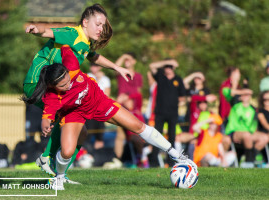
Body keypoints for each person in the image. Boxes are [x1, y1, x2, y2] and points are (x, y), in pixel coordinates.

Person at [22, 46, 196, 190]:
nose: (69, 84)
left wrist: (63, 37)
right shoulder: (52, 97)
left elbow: (66, 44)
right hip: (74, 113)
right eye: (63, 85)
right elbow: (47, 116)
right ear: (53, 86)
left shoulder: (71, 64)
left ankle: (176, 154)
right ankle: (59, 177)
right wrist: (46, 124)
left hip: (100, 103)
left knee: (138, 126)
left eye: (68, 79)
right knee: (67, 151)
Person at [23, 4, 132, 181]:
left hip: (52, 87)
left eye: (103, 25)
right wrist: (36, 29)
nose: (101, 29)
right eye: (98, 24)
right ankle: (46, 158)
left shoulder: (85, 43)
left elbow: (93, 56)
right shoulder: (73, 34)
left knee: (82, 132)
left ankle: (62, 175)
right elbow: (47, 32)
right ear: (85, 21)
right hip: (37, 83)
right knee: (67, 117)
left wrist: (117, 67)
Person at [149, 58, 186, 167]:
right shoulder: (160, 76)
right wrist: (166, 62)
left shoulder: (178, 79)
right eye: (166, 66)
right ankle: (154, 162)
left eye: (170, 67)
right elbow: (152, 65)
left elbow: (182, 96)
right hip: (160, 113)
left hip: (172, 113)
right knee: (156, 136)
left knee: (172, 137)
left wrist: (176, 101)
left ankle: (170, 161)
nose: (168, 69)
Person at [225, 91, 258, 168]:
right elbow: (232, 123)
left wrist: (251, 132)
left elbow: (254, 124)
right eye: (244, 95)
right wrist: (234, 133)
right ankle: (249, 162)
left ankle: (252, 158)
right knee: (247, 135)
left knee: (264, 138)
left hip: (248, 133)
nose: (246, 97)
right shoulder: (236, 107)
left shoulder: (253, 109)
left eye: (248, 95)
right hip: (236, 131)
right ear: (241, 97)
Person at [85, 63, 111, 150]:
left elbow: (107, 95)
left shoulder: (105, 79)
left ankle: (97, 157)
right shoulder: (88, 76)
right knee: (87, 135)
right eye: (92, 65)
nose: (93, 67)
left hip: (100, 111)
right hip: (89, 111)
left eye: (95, 66)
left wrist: (99, 79)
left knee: (99, 137)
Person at [256, 91, 269, 163]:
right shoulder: (261, 112)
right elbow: (266, 125)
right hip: (263, 133)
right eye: (265, 99)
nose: (267, 101)